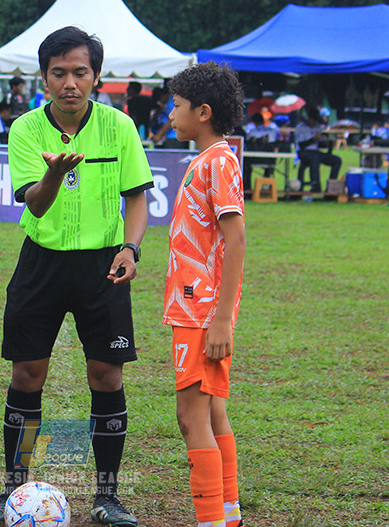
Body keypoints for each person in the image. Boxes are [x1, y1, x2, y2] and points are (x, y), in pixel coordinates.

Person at [0, 27, 152, 527]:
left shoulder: (119, 127)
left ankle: (108, 496)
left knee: (106, 375)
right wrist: (54, 172)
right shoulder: (27, 130)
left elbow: (137, 197)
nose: (69, 82)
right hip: (42, 264)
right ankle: (13, 489)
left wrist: (131, 248)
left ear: (96, 76)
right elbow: (35, 199)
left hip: (103, 265)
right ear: (44, 77)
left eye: (79, 72)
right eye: (59, 73)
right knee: (27, 375)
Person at [164, 61, 246, 527]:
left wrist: (220, 319)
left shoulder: (218, 160)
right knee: (213, 413)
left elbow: (235, 241)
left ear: (204, 111)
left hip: (200, 312)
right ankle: (227, 514)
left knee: (190, 417)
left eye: (177, 106)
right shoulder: (208, 159)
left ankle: (212, 519)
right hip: (196, 308)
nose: (171, 114)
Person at [294, 106, 341, 193]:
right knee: (315, 158)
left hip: (315, 152)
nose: (315, 123)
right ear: (309, 119)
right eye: (314, 121)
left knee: (337, 160)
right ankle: (316, 185)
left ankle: (331, 186)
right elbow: (301, 144)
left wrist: (328, 143)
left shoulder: (318, 127)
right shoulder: (300, 128)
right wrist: (313, 139)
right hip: (304, 152)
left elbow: (320, 144)